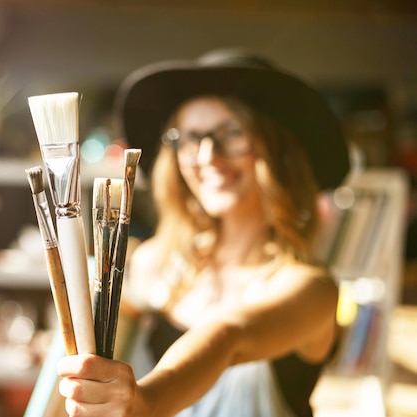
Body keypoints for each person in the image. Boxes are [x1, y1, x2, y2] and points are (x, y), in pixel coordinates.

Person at [56, 48, 351, 417]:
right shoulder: (153, 264)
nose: (208, 154)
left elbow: (228, 337)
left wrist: (145, 401)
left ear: (279, 152)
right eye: (191, 137)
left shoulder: (310, 290)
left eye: (232, 133)